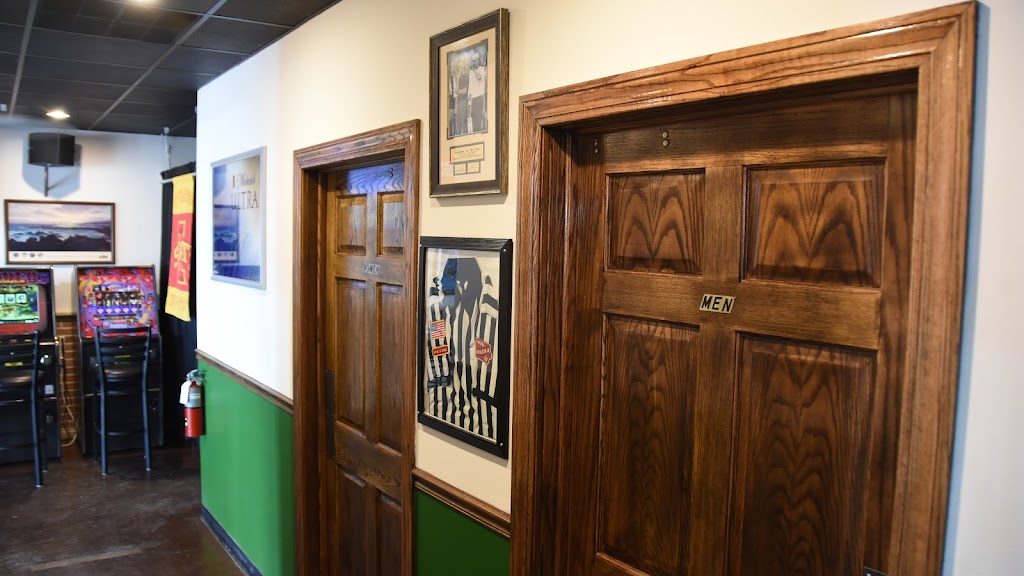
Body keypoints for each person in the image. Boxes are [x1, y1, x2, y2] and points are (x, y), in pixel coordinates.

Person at [467, 49, 487, 133]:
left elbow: (479, 77)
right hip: (473, 99)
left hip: (480, 97)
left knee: (479, 119)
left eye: (475, 60)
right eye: (473, 61)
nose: (474, 62)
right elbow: (470, 86)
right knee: (473, 119)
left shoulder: (482, 69)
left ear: (478, 60)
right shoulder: (471, 72)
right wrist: (469, 100)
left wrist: (474, 69)